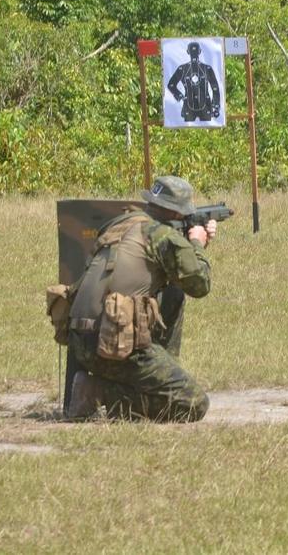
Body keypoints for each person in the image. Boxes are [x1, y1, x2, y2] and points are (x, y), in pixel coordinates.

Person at [65, 176, 217, 422]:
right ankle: (98, 393)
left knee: (174, 292)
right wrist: (197, 244)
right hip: (112, 345)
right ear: (177, 213)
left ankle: (115, 383)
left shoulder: (122, 223)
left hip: (80, 342)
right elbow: (200, 284)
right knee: (193, 404)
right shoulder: (162, 236)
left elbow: (170, 277)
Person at [167, 41, 221, 122]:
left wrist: (216, 105)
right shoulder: (183, 69)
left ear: (198, 52)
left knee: (209, 130)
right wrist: (180, 96)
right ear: (189, 52)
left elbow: (215, 87)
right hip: (189, 106)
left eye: (195, 51)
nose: (194, 53)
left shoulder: (207, 69)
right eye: (192, 51)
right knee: (187, 131)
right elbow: (171, 85)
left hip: (205, 106)